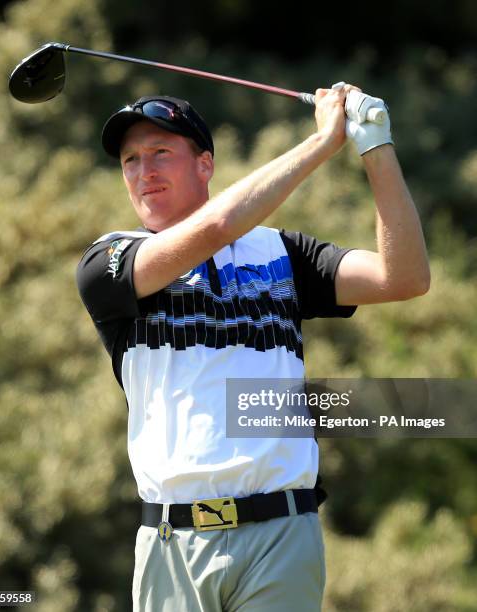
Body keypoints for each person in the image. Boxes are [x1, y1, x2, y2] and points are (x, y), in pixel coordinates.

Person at [76, 86, 430, 611]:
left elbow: (403, 277)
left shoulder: (282, 253)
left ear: (205, 165)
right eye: (130, 160)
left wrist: (374, 144)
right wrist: (321, 143)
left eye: (160, 153)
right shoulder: (110, 260)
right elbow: (216, 226)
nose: (143, 171)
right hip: (175, 540)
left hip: (282, 535)